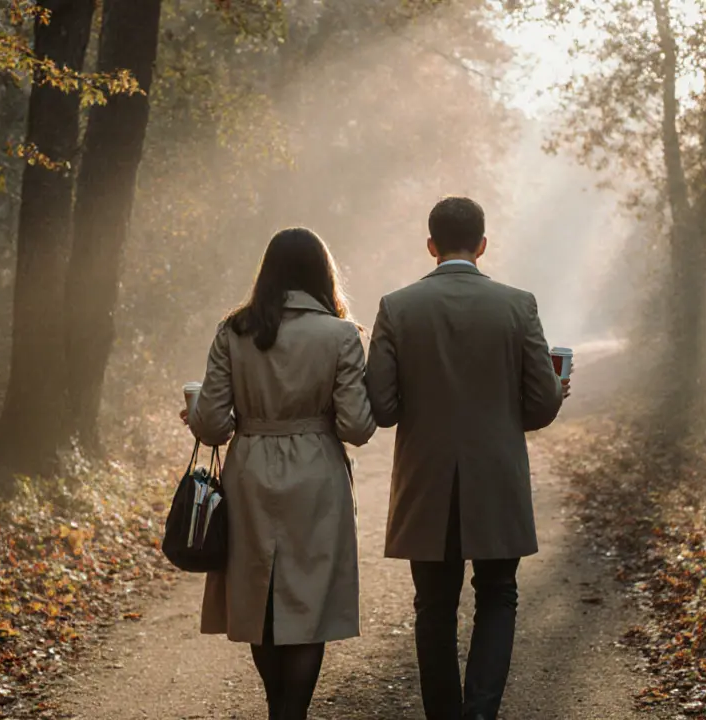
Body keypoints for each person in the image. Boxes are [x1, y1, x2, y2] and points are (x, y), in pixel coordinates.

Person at [364, 196, 568, 720]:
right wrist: (549, 390)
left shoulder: (397, 307)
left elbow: (382, 408)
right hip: (496, 477)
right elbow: (541, 405)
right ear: (482, 245)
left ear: (430, 246)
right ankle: (480, 713)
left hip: (425, 482)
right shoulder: (517, 305)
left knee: (433, 607)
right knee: (498, 595)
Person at [183, 227, 376, 720]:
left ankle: (278, 710)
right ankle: (292, 714)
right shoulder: (340, 335)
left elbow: (210, 424)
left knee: (260, 594)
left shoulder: (234, 331)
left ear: (266, 272)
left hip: (250, 469)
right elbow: (356, 427)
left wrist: (205, 414)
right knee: (308, 604)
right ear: (322, 274)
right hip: (317, 476)